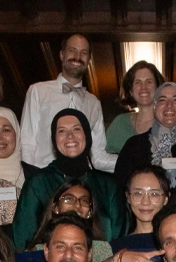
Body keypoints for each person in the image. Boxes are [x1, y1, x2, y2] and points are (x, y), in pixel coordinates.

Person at [11, 109, 125, 250]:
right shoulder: (38, 183)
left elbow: (120, 240)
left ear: (87, 136)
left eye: (76, 129)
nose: (70, 136)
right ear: (54, 139)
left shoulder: (108, 185)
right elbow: (23, 241)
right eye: (62, 131)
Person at [20, 35, 118, 172]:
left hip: (81, 181)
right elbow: (26, 142)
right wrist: (31, 177)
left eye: (84, 53)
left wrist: (135, 161)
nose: (77, 57)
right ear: (61, 54)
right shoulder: (37, 91)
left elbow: (98, 157)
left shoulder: (94, 103)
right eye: (72, 50)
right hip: (45, 176)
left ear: (89, 60)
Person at [114, 83, 176, 192]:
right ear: (154, 107)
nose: (169, 105)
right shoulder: (134, 145)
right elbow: (120, 189)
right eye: (162, 100)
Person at [96, 166, 171, 262]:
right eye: (138, 193)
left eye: (154, 194)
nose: (145, 202)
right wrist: (117, 261)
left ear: (166, 199)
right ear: (128, 197)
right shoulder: (113, 248)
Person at [27, 178, 116, 262]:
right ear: (56, 208)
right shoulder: (37, 251)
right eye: (68, 199)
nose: (77, 205)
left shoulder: (103, 251)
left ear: (90, 212)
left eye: (84, 201)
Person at [106, 60, 164, 156]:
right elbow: (102, 159)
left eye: (149, 82)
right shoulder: (120, 124)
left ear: (159, 88)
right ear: (131, 90)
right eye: (138, 82)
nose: (143, 87)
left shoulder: (169, 123)